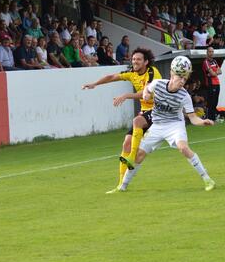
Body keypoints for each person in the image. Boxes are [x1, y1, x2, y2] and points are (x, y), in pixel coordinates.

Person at [109, 59, 216, 194]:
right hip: (157, 126)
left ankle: (208, 180)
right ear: (172, 74)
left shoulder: (185, 96)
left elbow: (193, 118)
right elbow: (147, 89)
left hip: (175, 125)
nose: (182, 81)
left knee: (183, 148)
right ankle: (122, 187)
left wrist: (202, 122)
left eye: (185, 78)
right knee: (138, 156)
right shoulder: (158, 84)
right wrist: (147, 94)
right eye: (180, 77)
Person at [82, 47, 161, 188]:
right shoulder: (131, 73)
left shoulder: (152, 72)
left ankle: (131, 158)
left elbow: (146, 92)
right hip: (145, 111)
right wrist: (94, 84)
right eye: (134, 59)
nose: (135, 61)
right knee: (126, 144)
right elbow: (112, 77)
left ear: (146, 62)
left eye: (138, 59)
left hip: (159, 110)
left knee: (137, 121)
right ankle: (120, 185)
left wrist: (126, 95)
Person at [202, 46, 222, 121]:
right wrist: (214, 73)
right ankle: (210, 118)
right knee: (211, 102)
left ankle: (213, 117)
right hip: (211, 84)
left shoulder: (214, 61)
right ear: (207, 53)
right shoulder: (206, 62)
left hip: (217, 83)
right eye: (210, 51)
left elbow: (220, 71)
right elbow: (213, 73)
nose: (211, 53)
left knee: (215, 102)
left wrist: (214, 73)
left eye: (212, 51)